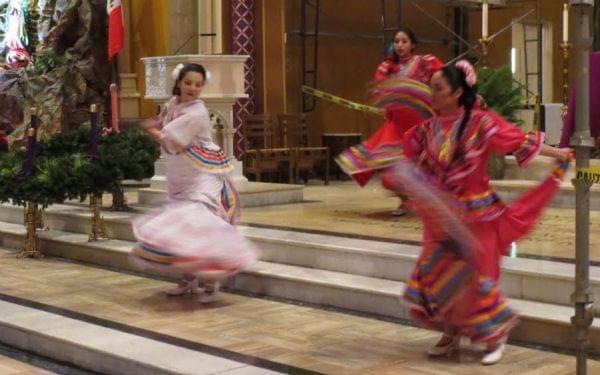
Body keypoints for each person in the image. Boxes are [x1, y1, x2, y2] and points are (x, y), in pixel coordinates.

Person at [381, 60, 572, 365]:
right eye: (431, 87)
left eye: (438, 88)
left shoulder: (480, 124)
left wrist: (558, 154)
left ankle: (495, 334)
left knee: (478, 275)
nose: (432, 93)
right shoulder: (425, 130)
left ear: (457, 92)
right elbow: (404, 157)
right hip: (441, 219)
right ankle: (451, 330)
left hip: (477, 216)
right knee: (438, 273)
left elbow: (516, 140)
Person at [131, 63, 257, 303]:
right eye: (188, 82)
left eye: (198, 84)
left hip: (202, 175)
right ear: (179, 82)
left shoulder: (197, 112)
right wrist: (155, 123)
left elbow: (173, 140)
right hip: (181, 173)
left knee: (200, 221)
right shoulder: (172, 103)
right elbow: (164, 120)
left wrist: (151, 130)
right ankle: (188, 279)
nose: (193, 88)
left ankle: (211, 282)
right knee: (183, 227)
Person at [337, 28, 444, 216]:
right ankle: (405, 201)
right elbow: (380, 93)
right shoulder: (386, 68)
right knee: (392, 169)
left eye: (404, 41)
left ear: (413, 44)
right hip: (396, 125)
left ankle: (422, 200)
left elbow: (442, 78)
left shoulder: (424, 63)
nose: (400, 45)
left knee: (424, 164)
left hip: (420, 124)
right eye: (397, 41)